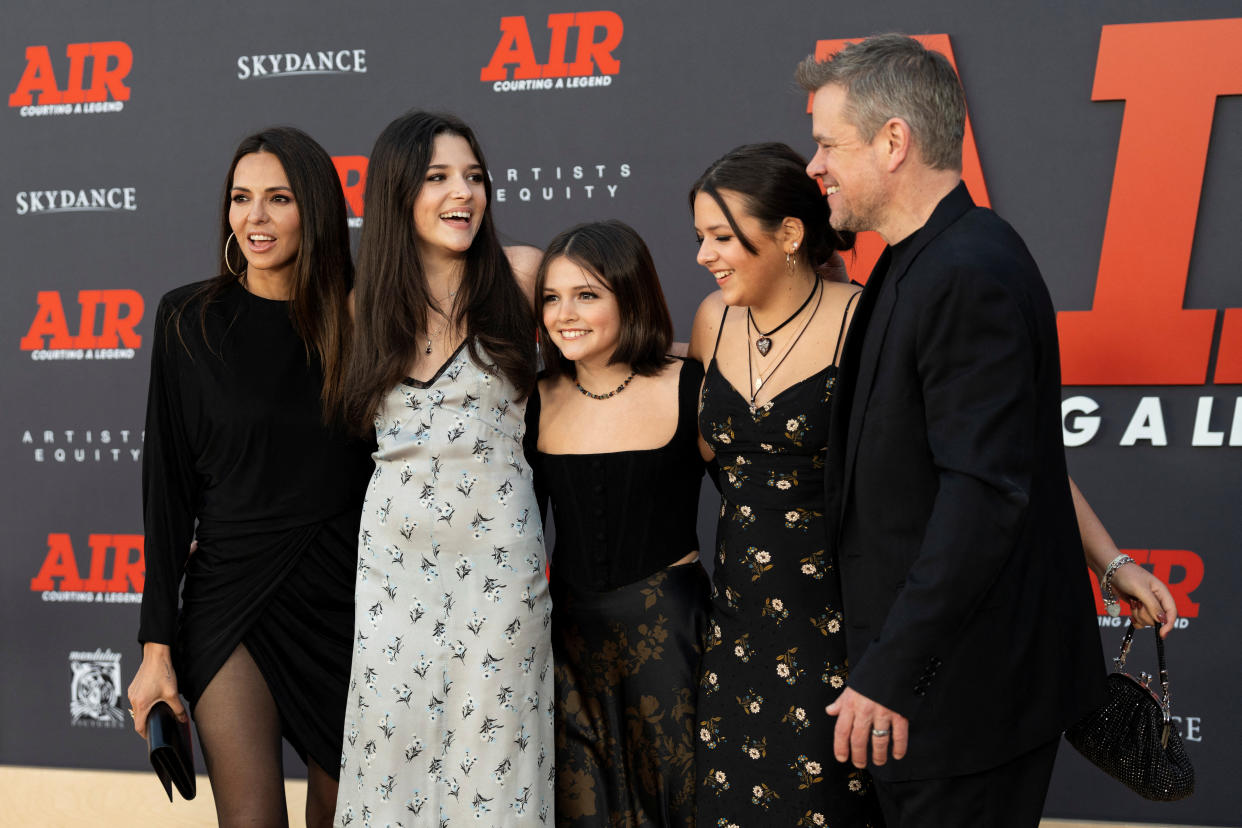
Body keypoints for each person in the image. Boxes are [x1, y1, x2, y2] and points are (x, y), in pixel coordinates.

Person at [798, 34, 1104, 826]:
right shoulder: (916, 259)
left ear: (893, 141)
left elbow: (984, 496)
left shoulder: (970, 272)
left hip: (962, 701)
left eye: (829, 142)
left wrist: (890, 672)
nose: (814, 165)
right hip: (925, 695)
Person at [128, 126, 371, 827]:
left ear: (318, 209)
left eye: (278, 198)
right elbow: (168, 493)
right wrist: (156, 650)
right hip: (229, 596)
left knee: (346, 813)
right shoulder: (188, 320)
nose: (254, 217)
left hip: (346, 602)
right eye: (241, 198)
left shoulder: (364, 318)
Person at [334, 111, 552, 826]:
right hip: (393, 567)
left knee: (497, 762)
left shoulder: (521, 276)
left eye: (474, 176)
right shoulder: (362, 306)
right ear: (398, 193)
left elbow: (615, 339)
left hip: (500, 566)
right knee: (390, 760)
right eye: (438, 178)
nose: (463, 192)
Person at [688, 142, 885, 827]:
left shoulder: (864, 320)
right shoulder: (713, 320)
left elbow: (980, 455)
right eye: (700, 238)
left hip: (839, 627)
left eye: (721, 237)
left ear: (791, 235)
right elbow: (700, 448)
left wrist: (1112, 561)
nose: (704, 256)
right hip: (736, 626)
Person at [525, 220, 710, 827]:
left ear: (629, 296)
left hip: (676, 645)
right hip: (570, 655)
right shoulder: (534, 398)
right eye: (551, 297)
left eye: (587, 294)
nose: (564, 314)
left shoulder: (692, 386)